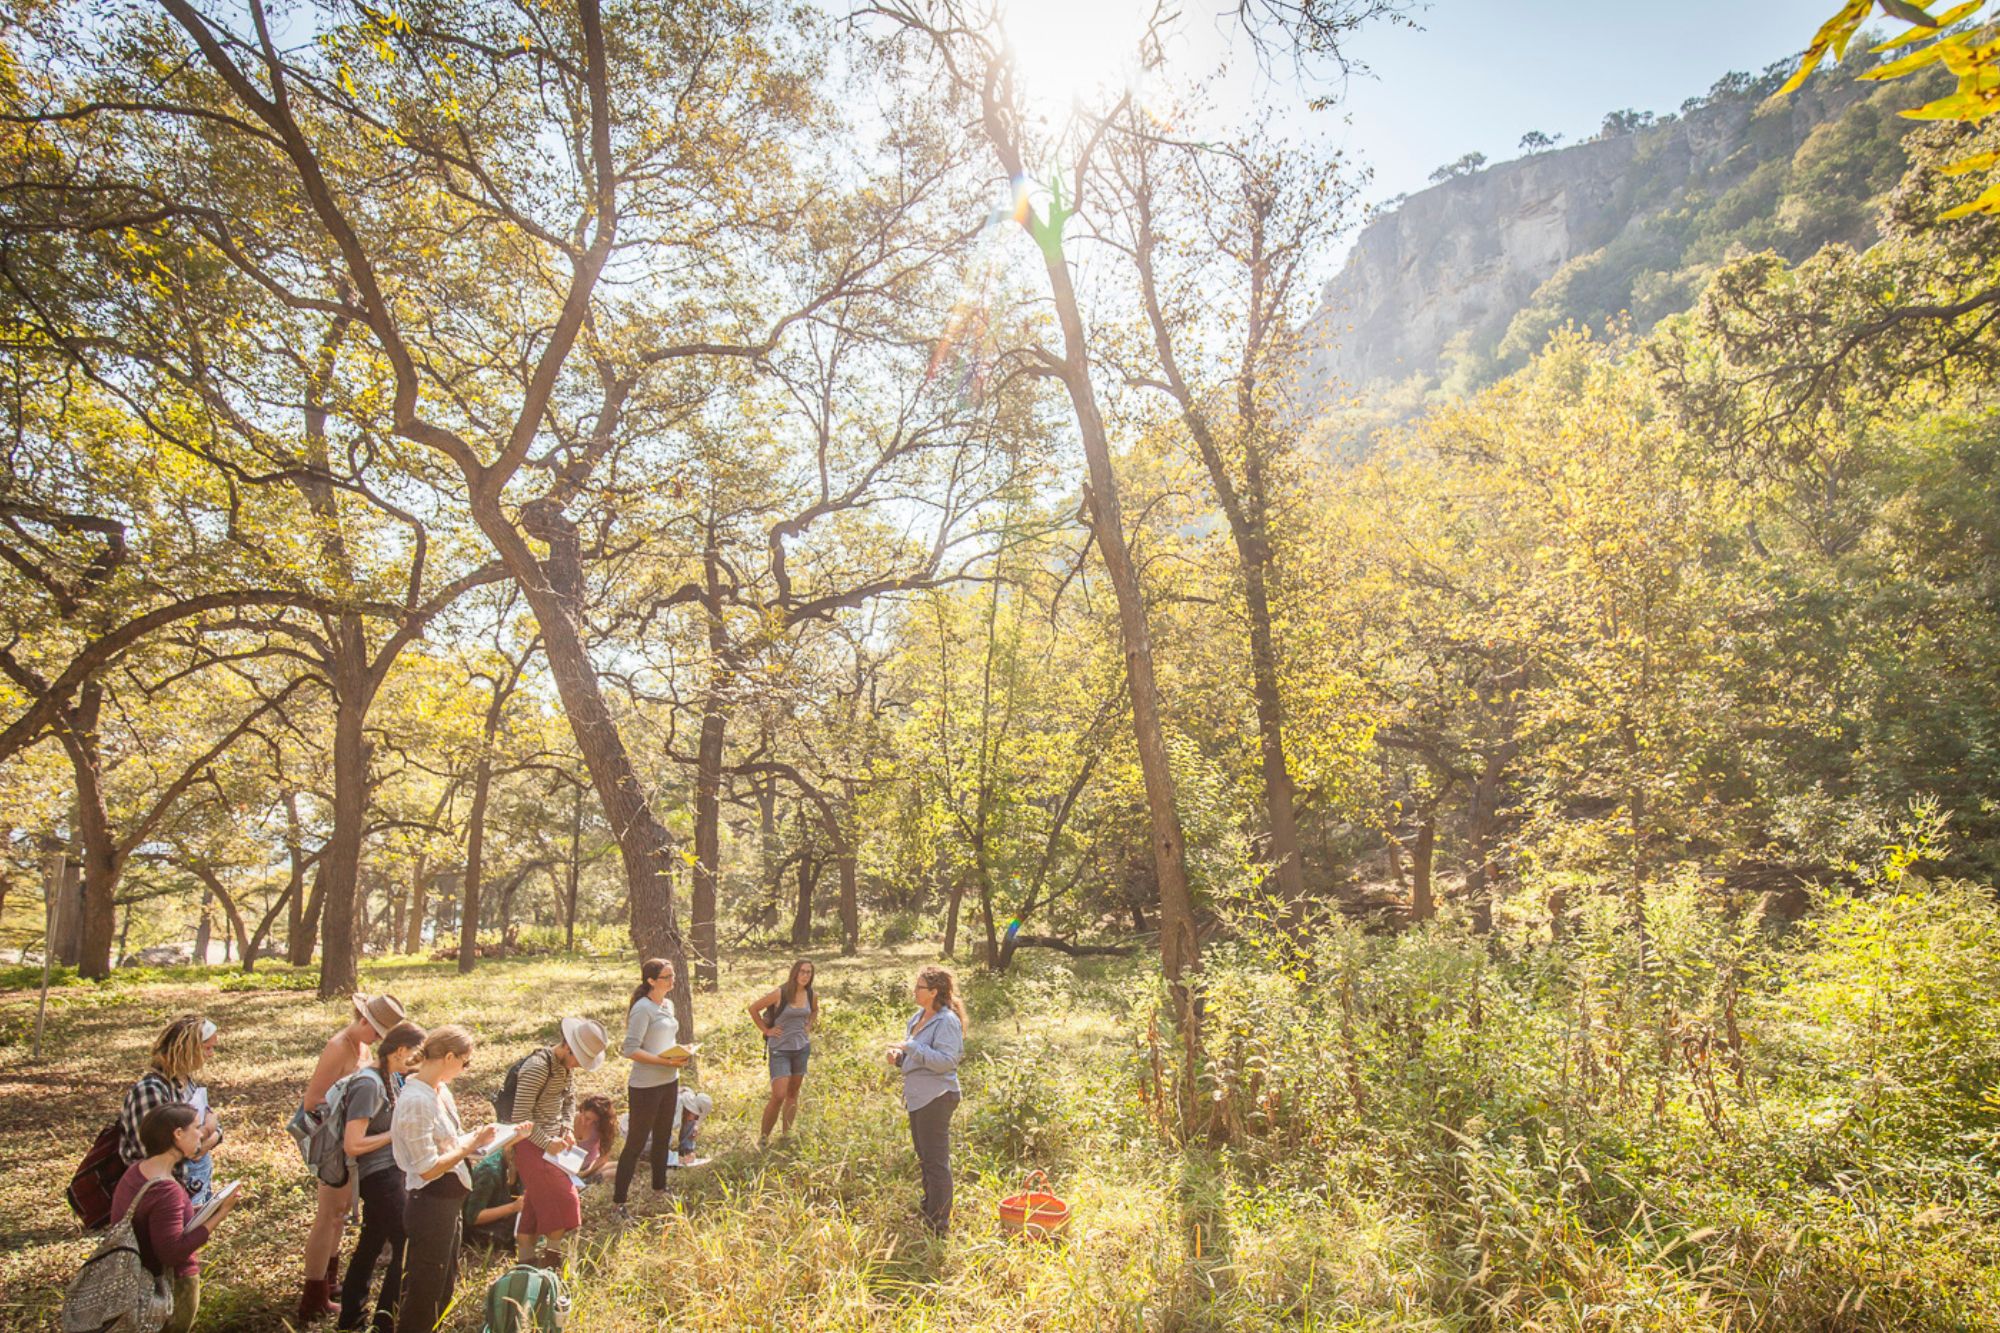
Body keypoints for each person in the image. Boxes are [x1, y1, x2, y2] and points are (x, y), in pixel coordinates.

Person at [391, 1024, 526, 1333]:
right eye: (465, 1062)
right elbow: (427, 1167)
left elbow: (453, 1145)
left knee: (443, 1283)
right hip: (429, 1204)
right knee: (424, 1290)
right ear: (449, 1057)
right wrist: (470, 1144)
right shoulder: (416, 1101)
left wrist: (501, 1138)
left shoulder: (440, 1091)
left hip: (450, 1200)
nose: (465, 1069)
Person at [299, 992, 407, 1323]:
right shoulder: (338, 1046)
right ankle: (313, 1294)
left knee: (341, 1213)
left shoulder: (361, 1047)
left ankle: (330, 1280)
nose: (376, 1040)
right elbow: (312, 1101)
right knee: (328, 1216)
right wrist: (353, 1118)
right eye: (375, 1033)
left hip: (354, 1145)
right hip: (333, 1142)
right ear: (362, 1021)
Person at [109, 1102, 242, 1333]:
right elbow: (172, 1251)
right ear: (178, 1134)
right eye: (196, 1128)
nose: (201, 1133)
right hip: (168, 1289)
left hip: (132, 1282)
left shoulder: (137, 1171)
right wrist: (219, 1215)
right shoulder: (165, 1189)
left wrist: (206, 1207)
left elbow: (160, 1219)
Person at [337, 1020, 425, 1333]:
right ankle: (385, 1321)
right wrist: (393, 1134)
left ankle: (351, 1319)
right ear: (400, 1050)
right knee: (406, 1237)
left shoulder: (391, 1078)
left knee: (372, 1241)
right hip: (377, 1175)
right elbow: (353, 1144)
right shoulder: (368, 1084)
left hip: (392, 1169)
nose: (416, 1059)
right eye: (414, 1053)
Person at [512, 1016, 608, 1266]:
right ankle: (552, 1261)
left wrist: (566, 1129)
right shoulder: (537, 1068)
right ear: (566, 1046)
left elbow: (569, 1101)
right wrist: (546, 1142)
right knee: (566, 1200)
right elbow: (520, 1116)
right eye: (578, 1058)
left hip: (553, 1143)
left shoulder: (565, 1069)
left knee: (534, 1203)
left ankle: (527, 1264)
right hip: (531, 1144)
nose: (577, 1065)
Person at [884, 965, 965, 1236]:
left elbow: (946, 1062)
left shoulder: (946, 1021)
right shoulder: (917, 1017)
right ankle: (929, 1211)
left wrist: (912, 1048)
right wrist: (899, 1059)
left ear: (933, 992)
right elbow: (918, 1060)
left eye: (919, 987)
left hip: (937, 1097)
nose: (914, 991)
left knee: (936, 1161)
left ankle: (939, 1224)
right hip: (918, 1096)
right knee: (925, 1158)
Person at [117, 1015, 222, 1206]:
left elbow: (215, 1129)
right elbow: (157, 1153)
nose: (211, 1054)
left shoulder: (185, 1081)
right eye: (207, 1048)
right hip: (160, 1193)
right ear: (187, 1049)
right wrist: (206, 1133)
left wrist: (203, 1141)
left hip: (192, 1184)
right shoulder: (150, 1091)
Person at [614, 958, 690, 1216]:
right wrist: (660, 1061)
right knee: (635, 1143)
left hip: (669, 1080)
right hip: (646, 1086)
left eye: (672, 976)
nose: (672, 981)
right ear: (650, 981)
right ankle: (619, 1202)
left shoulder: (668, 1004)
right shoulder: (643, 1009)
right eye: (666, 977)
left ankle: (660, 1188)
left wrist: (681, 1054)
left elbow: (667, 1038)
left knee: (663, 1137)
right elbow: (630, 1049)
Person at [748, 958, 818, 1148]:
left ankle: (787, 1135)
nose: (805, 975)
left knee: (793, 1092)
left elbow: (814, 1011)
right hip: (780, 1049)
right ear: (795, 973)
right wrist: (766, 1030)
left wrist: (809, 1025)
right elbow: (753, 1008)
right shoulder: (781, 992)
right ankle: (764, 1137)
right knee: (779, 1094)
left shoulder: (811, 994)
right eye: (802, 971)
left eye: (809, 972)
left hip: (801, 1048)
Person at [461, 1142, 524, 1248]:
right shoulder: (489, 1171)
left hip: (501, 1213)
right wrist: (513, 1207)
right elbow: (473, 1217)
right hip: (479, 1230)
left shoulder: (514, 1164)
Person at [571, 1094, 619, 1185]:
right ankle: (587, 1181)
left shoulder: (602, 1127)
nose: (585, 1122)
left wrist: (585, 1173)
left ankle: (587, 1181)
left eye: (592, 1120)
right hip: (567, 1166)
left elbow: (603, 1157)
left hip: (589, 1167)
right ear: (582, 1109)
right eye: (585, 1116)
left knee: (622, 1168)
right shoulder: (570, 1120)